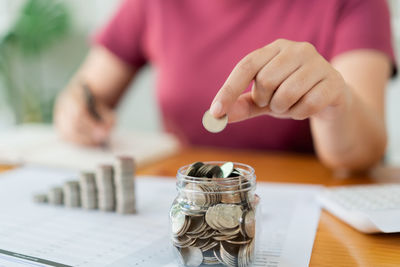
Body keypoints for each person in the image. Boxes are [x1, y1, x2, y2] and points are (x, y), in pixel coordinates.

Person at [54, 0, 397, 171]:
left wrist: (334, 104)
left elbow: (361, 154)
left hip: (315, 212)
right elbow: (85, 93)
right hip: (187, 201)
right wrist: (74, 112)